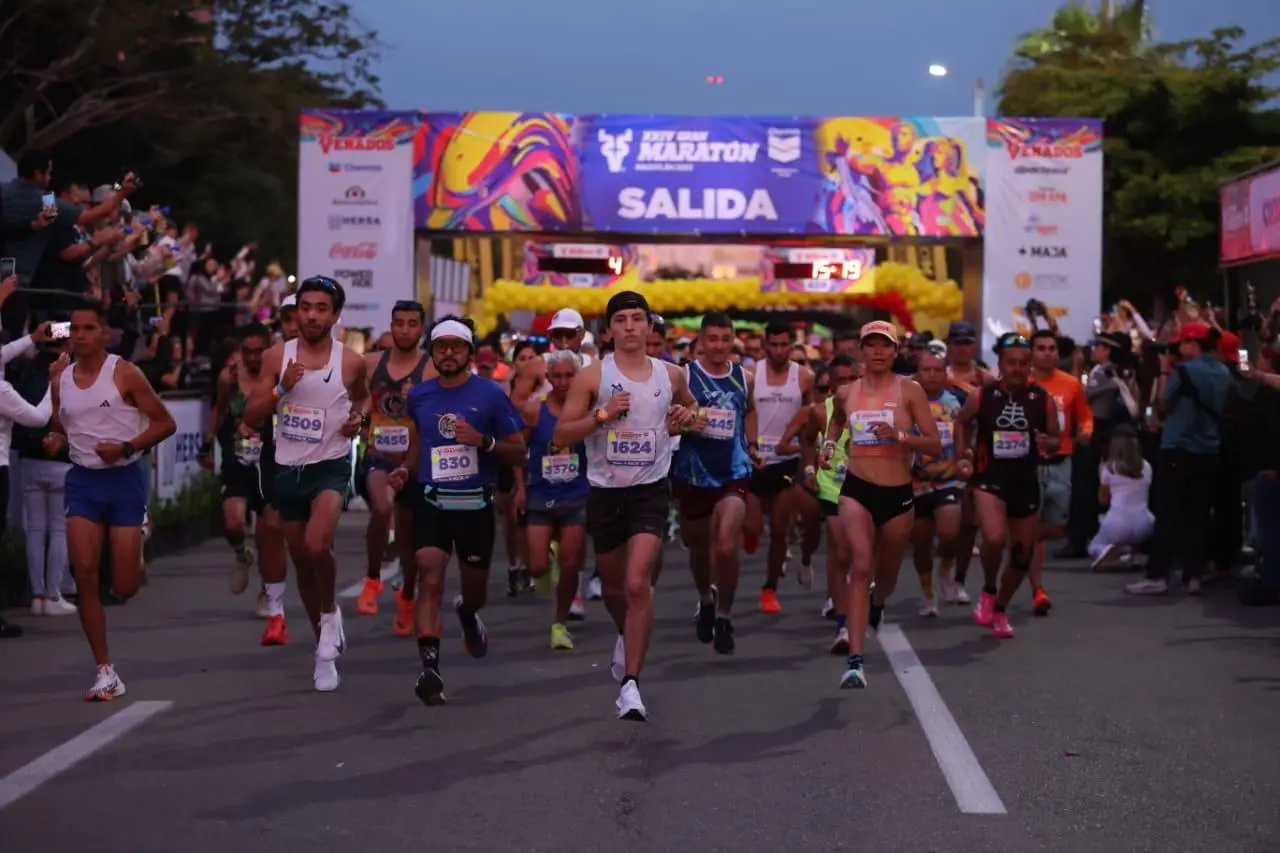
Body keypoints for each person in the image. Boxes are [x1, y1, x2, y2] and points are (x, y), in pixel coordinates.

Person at [555, 291, 696, 721]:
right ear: (609, 329)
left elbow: (692, 409)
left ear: (649, 326)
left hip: (650, 491)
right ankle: (624, 632)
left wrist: (684, 418)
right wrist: (601, 417)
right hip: (605, 493)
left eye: (639, 319)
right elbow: (562, 435)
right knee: (616, 589)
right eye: (622, 319)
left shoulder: (670, 375)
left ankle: (630, 685)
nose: (631, 326)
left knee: (638, 584)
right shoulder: (592, 377)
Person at [45, 300, 177, 698]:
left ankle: (139, 532)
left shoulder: (124, 373)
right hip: (83, 482)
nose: (80, 335)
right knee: (84, 573)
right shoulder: (59, 379)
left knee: (125, 585)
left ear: (105, 333)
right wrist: (56, 439)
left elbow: (165, 423)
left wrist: (126, 446)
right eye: (75, 329)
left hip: (123, 479)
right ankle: (105, 671)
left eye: (89, 329)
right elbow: (61, 426)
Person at [243, 276, 369, 691]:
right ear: (296, 312)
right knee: (302, 560)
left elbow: (364, 399)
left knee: (318, 545)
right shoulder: (277, 356)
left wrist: (359, 420)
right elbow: (250, 413)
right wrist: (283, 387)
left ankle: (331, 614)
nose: (311, 315)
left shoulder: (349, 362)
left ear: (335, 315)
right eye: (305, 307)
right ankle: (323, 654)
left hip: (329, 466)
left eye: (320, 308)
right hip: (287, 468)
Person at [402, 316, 527, 706]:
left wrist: (483, 442)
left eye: (457, 347)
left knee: (473, 591)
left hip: (475, 505)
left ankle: (468, 614)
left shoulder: (490, 394)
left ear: (470, 353)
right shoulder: (419, 396)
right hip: (432, 500)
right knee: (430, 573)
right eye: (442, 348)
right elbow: (418, 441)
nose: (449, 354)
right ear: (433, 354)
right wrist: (404, 470)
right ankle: (430, 668)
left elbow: (519, 449)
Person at [822, 321, 940, 689]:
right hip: (856, 489)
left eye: (884, 346)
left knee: (884, 577)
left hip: (897, 494)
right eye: (870, 345)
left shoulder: (910, 391)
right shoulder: (846, 393)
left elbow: (934, 444)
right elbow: (835, 426)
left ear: (894, 351)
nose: (877, 352)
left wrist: (901, 436)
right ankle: (855, 662)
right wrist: (827, 448)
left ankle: (878, 603)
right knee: (860, 565)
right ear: (861, 349)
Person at [952, 333, 1060, 639]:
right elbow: (961, 423)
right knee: (995, 538)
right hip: (989, 479)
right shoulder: (982, 396)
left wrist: (1046, 443)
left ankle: (1000, 608)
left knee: (1022, 555)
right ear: (1000, 365)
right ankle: (987, 589)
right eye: (1011, 363)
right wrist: (963, 455)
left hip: (1024, 482)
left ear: (1030, 366)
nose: (1017, 368)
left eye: (1023, 363)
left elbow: (1055, 437)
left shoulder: (1042, 399)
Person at [671, 312, 757, 655]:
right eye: (713, 339)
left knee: (725, 546)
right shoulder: (685, 375)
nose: (719, 346)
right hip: (693, 472)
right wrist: (689, 420)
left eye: (725, 339)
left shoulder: (744, 377)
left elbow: (749, 411)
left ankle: (724, 617)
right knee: (698, 547)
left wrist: (751, 443)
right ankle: (706, 598)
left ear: (732, 340)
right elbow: (670, 420)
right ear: (702, 341)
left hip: (733, 470)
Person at [1127, 322, 1231, 596]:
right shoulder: (1223, 371)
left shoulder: (1184, 371)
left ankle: (1158, 575)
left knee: (1168, 513)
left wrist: (1164, 370)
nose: (1178, 348)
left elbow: (1162, 405)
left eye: (1182, 343)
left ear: (1193, 344)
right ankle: (1193, 575)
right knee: (1198, 514)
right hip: (1209, 450)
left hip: (1178, 447)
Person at [353, 300, 431, 636]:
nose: (404, 330)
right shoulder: (371, 364)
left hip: (414, 460)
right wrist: (362, 423)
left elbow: (436, 416)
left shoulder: (430, 369)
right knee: (382, 507)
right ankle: (372, 579)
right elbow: (363, 405)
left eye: (411, 324)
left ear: (421, 329)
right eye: (398, 323)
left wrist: (420, 399)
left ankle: (408, 596)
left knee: (409, 537)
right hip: (378, 454)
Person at [518, 349, 590, 649]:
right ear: (547, 378)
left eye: (569, 376)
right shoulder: (535, 410)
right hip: (541, 494)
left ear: (578, 378)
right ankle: (544, 566)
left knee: (571, 563)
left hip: (576, 494)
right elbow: (517, 449)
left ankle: (559, 625)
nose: (562, 382)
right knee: (535, 567)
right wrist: (520, 488)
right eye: (556, 376)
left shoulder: (588, 409)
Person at [789, 354, 857, 651]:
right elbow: (806, 441)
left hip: (868, 487)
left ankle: (858, 598)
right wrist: (808, 469)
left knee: (862, 554)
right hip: (833, 488)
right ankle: (843, 626)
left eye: (850, 379)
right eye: (838, 380)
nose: (844, 385)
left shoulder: (874, 408)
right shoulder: (820, 411)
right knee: (840, 551)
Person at [747, 320, 815, 613]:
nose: (779, 350)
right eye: (773, 345)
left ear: (792, 345)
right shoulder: (751, 375)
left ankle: (769, 588)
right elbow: (745, 412)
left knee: (779, 531)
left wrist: (807, 451)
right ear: (764, 346)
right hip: (753, 459)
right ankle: (748, 533)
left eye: (784, 345)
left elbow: (812, 421)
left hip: (786, 461)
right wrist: (748, 445)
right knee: (751, 526)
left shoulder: (805, 377)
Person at [200, 324, 271, 603]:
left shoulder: (278, 376)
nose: (253, 358)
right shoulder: (229, 376)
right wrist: (207, 443)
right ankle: (243, 553)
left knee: (269, 535)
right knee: (232, 522)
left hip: (269, 460)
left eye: (259, 352)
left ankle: (268, 590)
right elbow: (218, 409)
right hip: (237, 457)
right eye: (247, 352)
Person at [1027, 330, 1092, 614]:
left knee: (1055, 528)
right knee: (1032, 527)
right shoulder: (1021, 383)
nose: (1048, 353)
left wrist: (1086, 431)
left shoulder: (1071, 385)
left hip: (1062, 462)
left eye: (1052, 348)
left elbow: (1085, 417)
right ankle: (1036, 588)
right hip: (1028, 463)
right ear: (1031, 352)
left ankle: (1023, 542)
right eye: (1041, 348)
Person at [12, 334, 74, 620]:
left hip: (28, 459)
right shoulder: (68, 378)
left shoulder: (25, 376)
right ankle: (52, 594)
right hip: (60, 460)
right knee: (58, 529)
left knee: (35, 529)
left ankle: (37, 595)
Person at [910, 344, 965, 616]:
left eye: (937, 370)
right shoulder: (905, 400)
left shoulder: (955, 401)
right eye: (926, 370)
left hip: (947, 478)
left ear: (945, 374)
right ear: (917, 373)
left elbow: (963, 436)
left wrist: (960, 461)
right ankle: (928, 595)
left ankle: (946, 570)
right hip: (914, 482)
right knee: (920, 545)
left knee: (948, 531)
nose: (931, 375)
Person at [1089, 427, 1154, 569]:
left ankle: (1108, 551)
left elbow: (1103, 500)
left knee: (1094, 546)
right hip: (1145, 523)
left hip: (1116, 524)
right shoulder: (1146, 467)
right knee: (1132, 536)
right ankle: (1129, 554)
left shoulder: (1109, 468)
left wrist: (1101, 475)